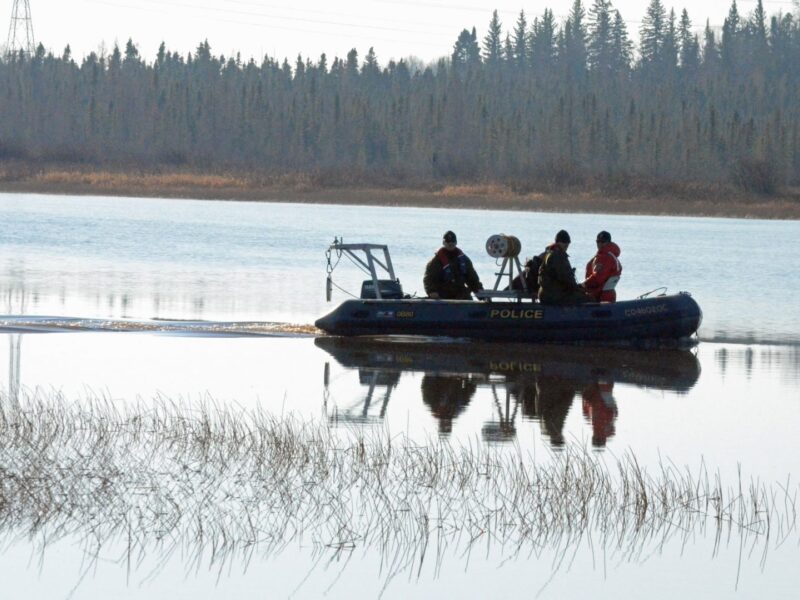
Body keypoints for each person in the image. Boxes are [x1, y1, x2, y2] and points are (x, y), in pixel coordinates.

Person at [423, 231, 483, 300]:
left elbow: (473, 279)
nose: (450, 243)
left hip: (461, 295)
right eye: (448, 242)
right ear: (443, 243)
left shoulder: (464, 260)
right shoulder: (435, 261)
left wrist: (482, 296)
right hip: (442, 296)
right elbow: (428, 279)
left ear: (456, 242)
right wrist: (431, 291)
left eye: (452, 241)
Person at [537, 230, 592, 306]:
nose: (566, 247)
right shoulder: (557, 256)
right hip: (554, 295)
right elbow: (565, 277)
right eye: (565, 244)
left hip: (546, 293)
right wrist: (578, 289)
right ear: (559, 242)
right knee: (588, 299)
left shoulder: (548, 253)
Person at [583, 230, 622, 302]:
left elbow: (597, 279)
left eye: (603, 242)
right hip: (607, 296)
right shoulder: (611, 255)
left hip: (600, 297)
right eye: (598, 241)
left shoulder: (605, 257)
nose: (600, 244)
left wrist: (583, 285)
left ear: (608, 243)